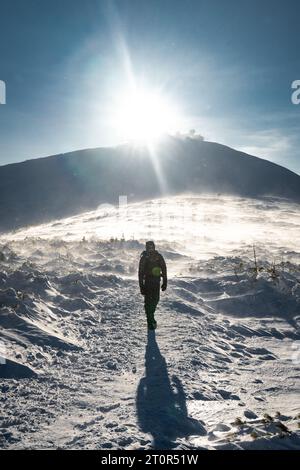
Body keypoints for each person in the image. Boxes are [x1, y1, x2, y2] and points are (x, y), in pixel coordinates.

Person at [138, 241, 167, 330]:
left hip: (156, 282)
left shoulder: (158, 256)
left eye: (152, 247)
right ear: (146, 248)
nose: (150, 248)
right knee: (148, 302)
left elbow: (164, 269)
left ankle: (151, 316)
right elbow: (140, 273)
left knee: (156, 300)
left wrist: (165, 282)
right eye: (148, 247)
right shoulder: (144, 258)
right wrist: (141, 286)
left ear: (154, 247)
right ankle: (150, 321)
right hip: (147, 282)